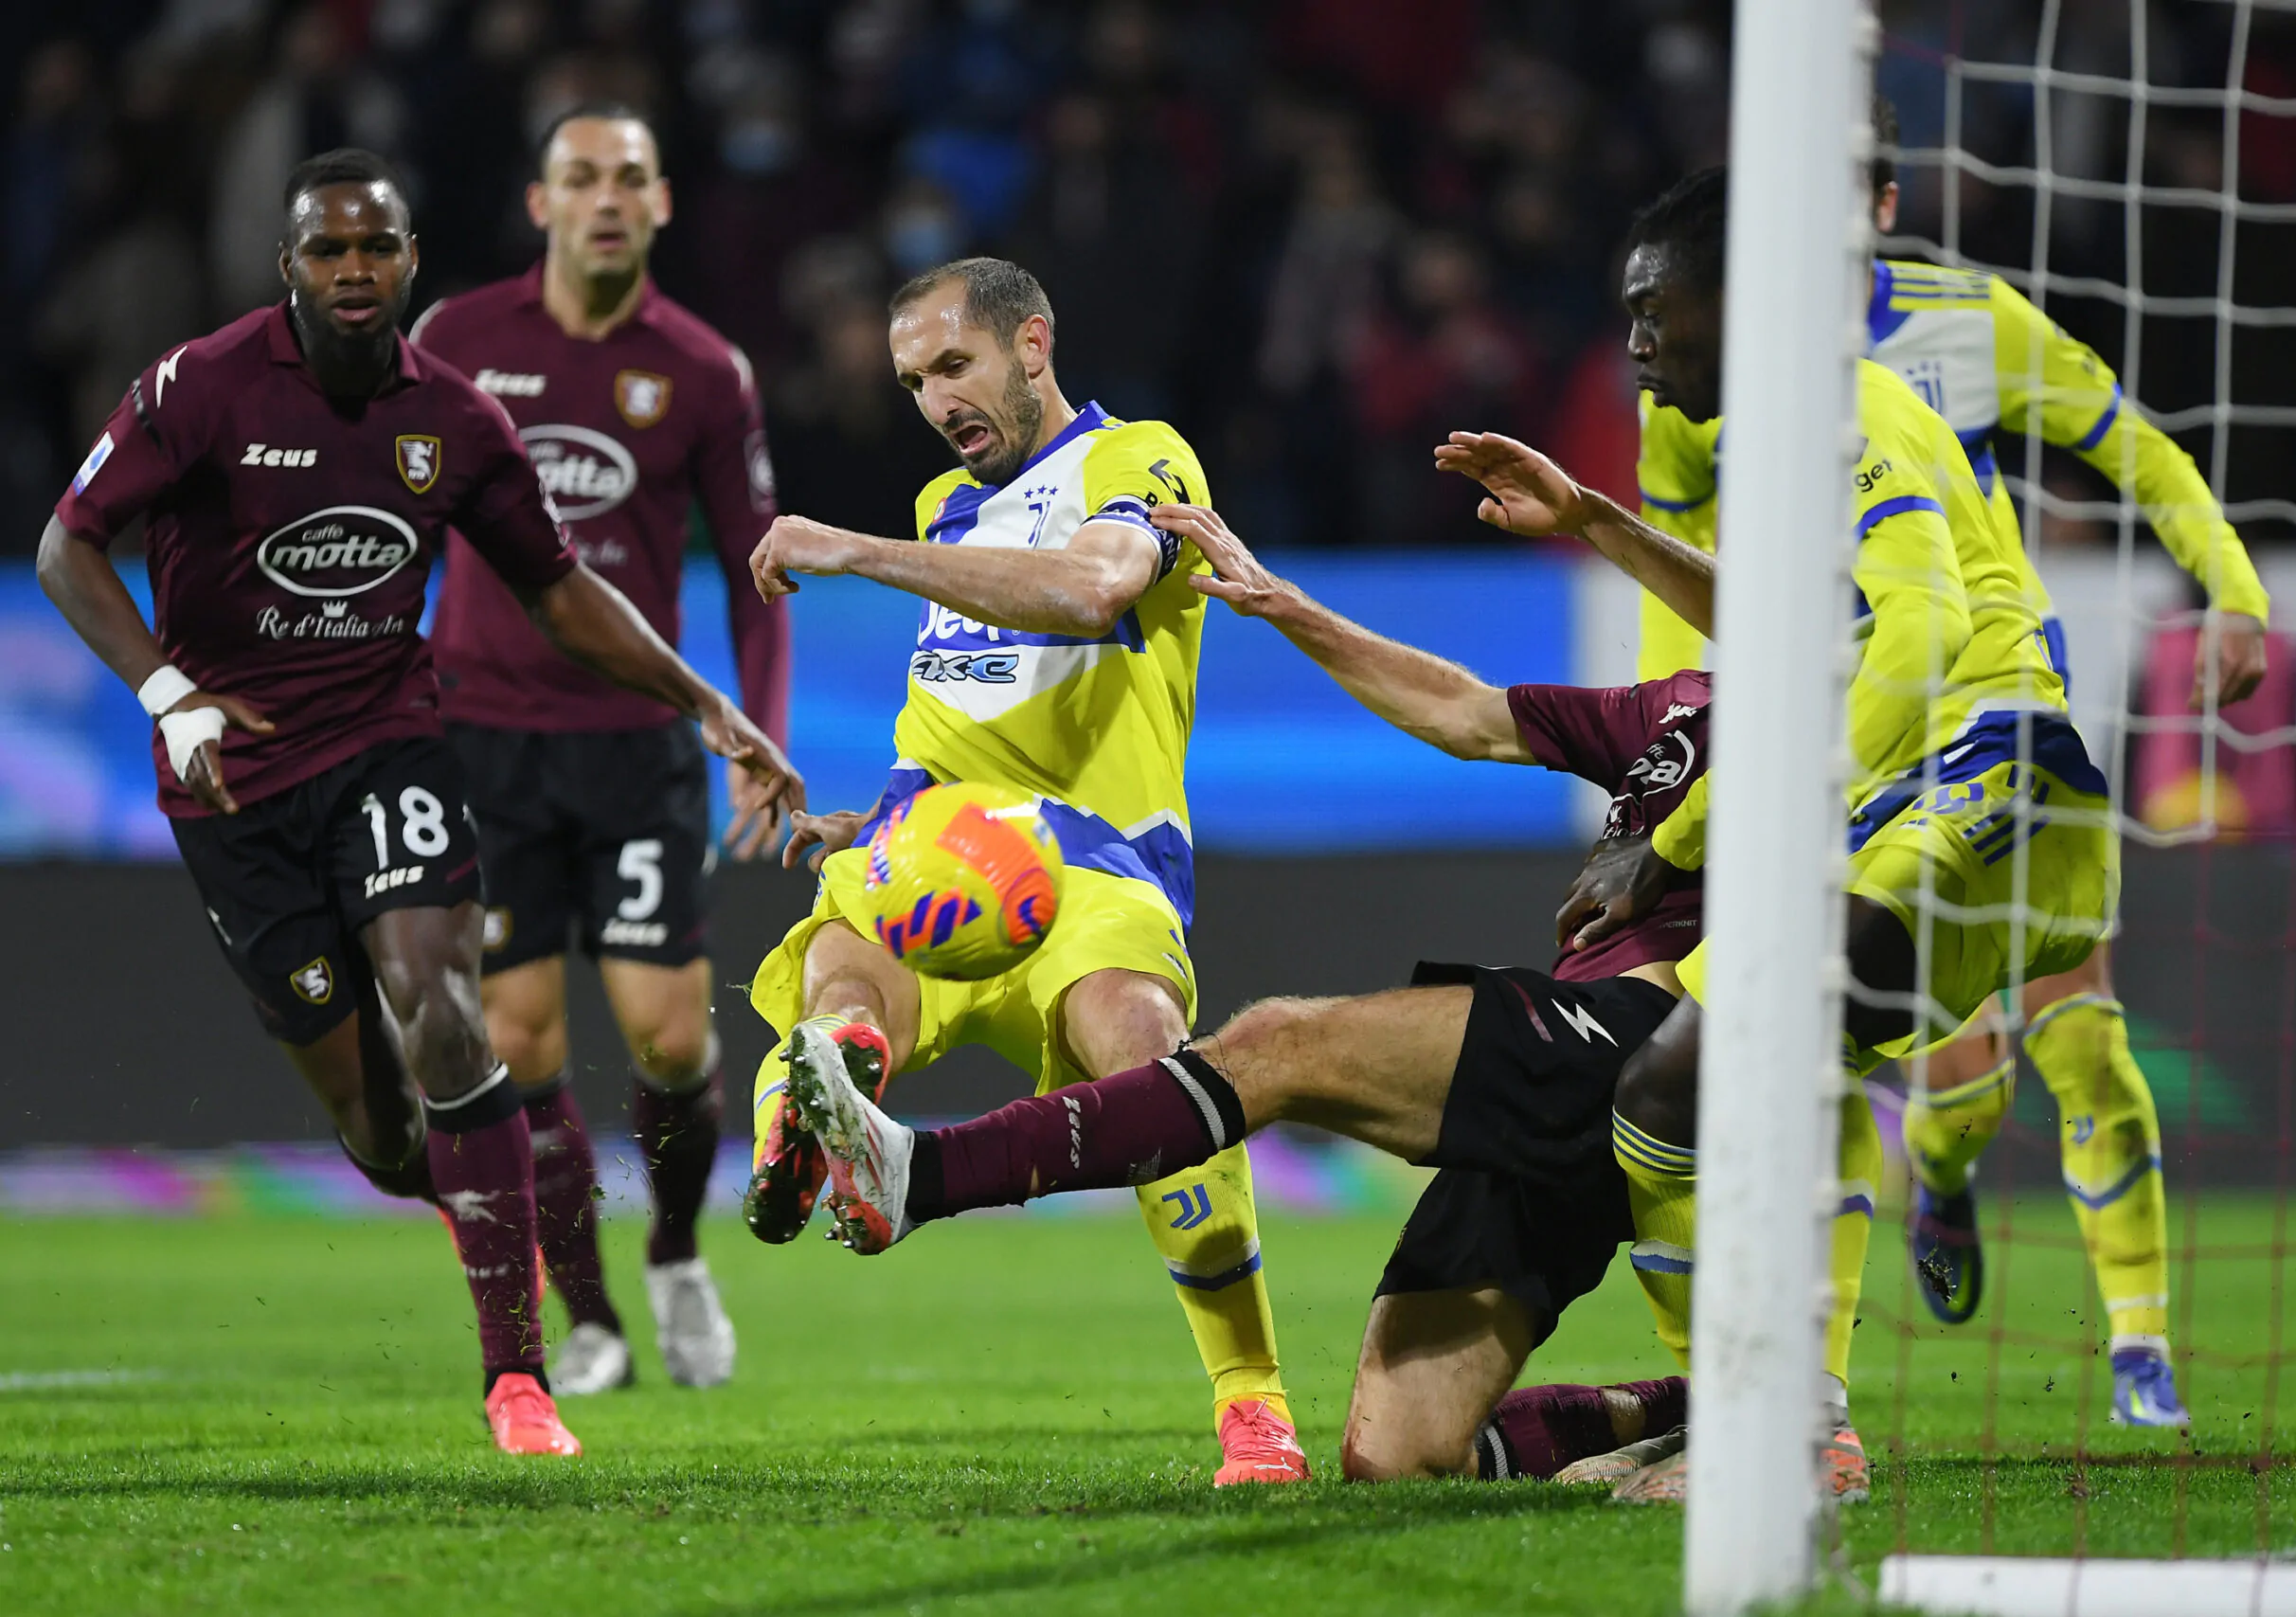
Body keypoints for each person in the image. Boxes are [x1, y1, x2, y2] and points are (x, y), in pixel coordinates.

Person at [36, 149, 802, 1457]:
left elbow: (561, 588)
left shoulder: (455, 417)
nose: (351, 270)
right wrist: (171, 691)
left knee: (447, 1013)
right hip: (232, 787)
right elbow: (67, 544)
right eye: (326, 250)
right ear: (288, 265)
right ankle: (475, 1203)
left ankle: (519, 1378)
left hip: (391, 746)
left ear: (407, 264)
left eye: (374, 249)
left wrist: (702, 698)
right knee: (382, 1131)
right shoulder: (200, 385)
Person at [773, 500, 1742, 1492]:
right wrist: (1283, 606)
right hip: (1574, 1096)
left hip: (1652, 1039)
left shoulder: (1819, 712)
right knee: (1400, 1460)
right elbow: (1463, 711)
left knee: (1279, 1044)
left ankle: (917, 1175)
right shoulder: (1669, 707)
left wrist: (1668, 850)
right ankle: (1716, 1407)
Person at [1434, 161, 2120, 1496]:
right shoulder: (1793, 428)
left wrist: (1687, 839)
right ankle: (1776, 1415)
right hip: (1958, 808)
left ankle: (1782, 1431)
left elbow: (1922, 637)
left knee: (1699, 1072)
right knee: (1720, 1075)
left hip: (1993, 787)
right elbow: (1807, 624)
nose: (1633, 340)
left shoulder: (1843, 405)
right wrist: (1599, 523)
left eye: (1654, 309)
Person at [1628, 99, 2266, 1427]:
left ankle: (2141, 1353)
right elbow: (1675, 568)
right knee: (1899, 1078)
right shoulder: (1704, 373)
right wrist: (1668, 748)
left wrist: (2235, 592)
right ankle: (1820, 1377)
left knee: (2078, 1036)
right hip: (1848, 748)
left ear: (1883, 207)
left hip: (1988, 721)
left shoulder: (1965, 326)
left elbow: (2133, 447)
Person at [740, 258, 1303, 1485]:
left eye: (955, 365)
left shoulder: (1139, 459)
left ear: (1032, 343)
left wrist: (853, 549)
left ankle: (1251, 1400)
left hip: (1092, 859)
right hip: (938, 842)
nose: (937, 399)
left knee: (1149, 1059)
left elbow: (1097, 584)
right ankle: (822, 1104)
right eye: (913, 381)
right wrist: (876, 818)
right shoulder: (948, 503)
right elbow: (947, 702)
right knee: (842, 969)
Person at [409, 105, 787, 1396]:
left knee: (669, 1036)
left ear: (663, 204)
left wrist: (756, 728)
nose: (607, 198)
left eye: (629, 178)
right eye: (583, 178)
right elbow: (393, 511)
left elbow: (757, 570)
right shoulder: (456, 341)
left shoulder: (701, 367)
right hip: (483, 743)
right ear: (541, 202)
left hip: (633, 742)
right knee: (514, 1037)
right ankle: (595, 1320)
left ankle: (678, 1247)